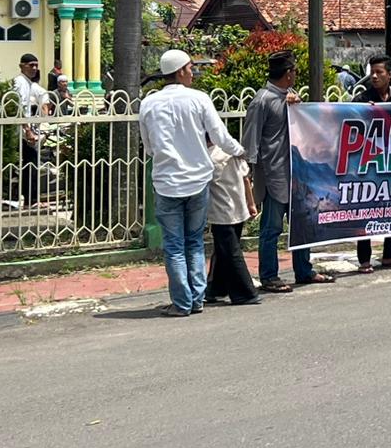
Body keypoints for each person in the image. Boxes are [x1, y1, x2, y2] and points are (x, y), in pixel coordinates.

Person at [139, 49, 246, 317]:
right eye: (189, 68)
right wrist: (240, 151)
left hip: (166, 183)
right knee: (195, 242)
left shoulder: (149, 103)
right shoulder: (199, 99)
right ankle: (196, 299)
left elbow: (148, 147)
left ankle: (182, 302)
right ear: (180, 71)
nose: (192, 73)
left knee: (174, 246)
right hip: (198, 181)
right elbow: (220, 136)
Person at [245, 50, 335, 292]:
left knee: (301, 224)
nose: (295, 74)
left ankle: (304, 270)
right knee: (271, 228)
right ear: (287, 73)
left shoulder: (291, 97)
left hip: (297, 173)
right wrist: (249, 175)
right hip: (274, 174)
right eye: (294, 70)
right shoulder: (262, 101)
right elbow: (250, 140)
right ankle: (269, 276)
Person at [353, 54, 391, 272]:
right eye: (372, 72)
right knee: (366, 210)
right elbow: (349, 126)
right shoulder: (361, 100)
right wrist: (365, 113)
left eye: (379, 72)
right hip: (369, 164)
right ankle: (364, 259)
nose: (374, 76)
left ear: (390, 74)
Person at [204, 137, 261, 307]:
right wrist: (251, 203)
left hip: (221, 211)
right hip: (238, 207)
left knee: (229, 251)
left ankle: (245, 292)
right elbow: (246, 178)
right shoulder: (232, 152)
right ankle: (215, 288)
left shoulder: (207, 157)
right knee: (223, 249)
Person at [11, 53, 49, 208]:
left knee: (30, 163)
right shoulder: (20, 82)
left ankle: (31, 200)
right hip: (20, 131)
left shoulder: (29, 83)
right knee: (30, 163)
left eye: (36, 65)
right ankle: (31, 200)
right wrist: (27, 130)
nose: (34, 68)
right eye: (31, 65)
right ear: (22, 66)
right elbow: (18, 106)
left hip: (24, 129)